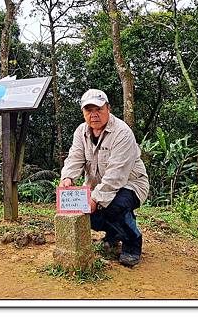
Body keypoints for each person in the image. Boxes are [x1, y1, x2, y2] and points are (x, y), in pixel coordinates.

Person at [59, 89, 149, 267]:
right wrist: (67, 178)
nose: (94, 115)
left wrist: (95, 199)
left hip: (131, 185)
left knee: (114, 207)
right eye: (88, 110)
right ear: (83, 113)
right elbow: (75, 158)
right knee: (89, 214)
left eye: (98, 109)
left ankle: (132, 243)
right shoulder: (81, 132)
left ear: (108, 108)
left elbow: (117, 175)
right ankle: (114, 234)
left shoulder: (122, 132)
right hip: (97, 186)